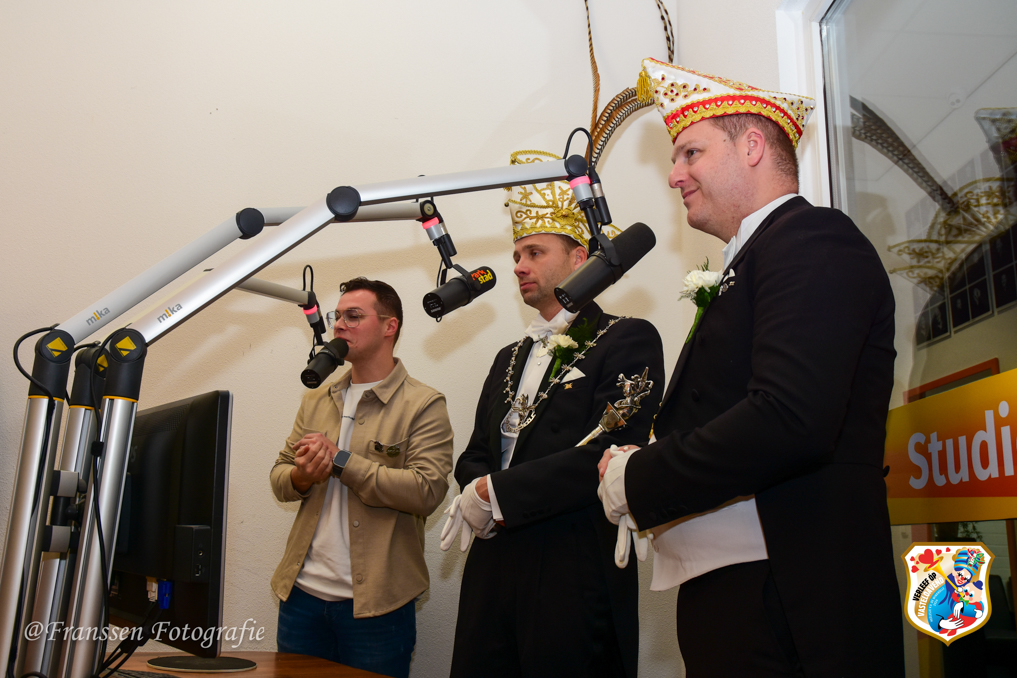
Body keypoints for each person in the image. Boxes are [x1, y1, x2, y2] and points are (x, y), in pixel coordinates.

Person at [599, 59, 906, 676]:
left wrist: (640, 477)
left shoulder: (811, 236)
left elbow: (790, 417)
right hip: (744, 594)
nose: (673, 175)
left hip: (792, 599)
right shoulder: (754, 259)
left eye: (690, 153)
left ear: (753, 146)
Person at [442, 151, 665, 678]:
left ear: (579, 257)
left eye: (534, 252)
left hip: (572, 566)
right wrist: (476, 490)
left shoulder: (628, 338)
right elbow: (476, 452)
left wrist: (493, 494)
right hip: (493, 565)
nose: (518, 265)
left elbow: (603, 455)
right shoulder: (507, 356)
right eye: (516, 254)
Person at [269, 277, 453, 678]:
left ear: (390, 326)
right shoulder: (316, 397)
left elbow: (427, 491)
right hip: (301, 598)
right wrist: (301, 476)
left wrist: (342, 461)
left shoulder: (423, 404)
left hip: (377, 607)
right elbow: (279, 476)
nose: (339, 325)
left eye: (353, 316)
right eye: (337, 316)